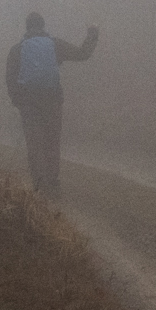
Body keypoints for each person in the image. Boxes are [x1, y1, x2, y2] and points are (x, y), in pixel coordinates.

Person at [6, 12, 97, 195]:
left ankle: (38, 184)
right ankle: (53, 181)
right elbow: (82, 54)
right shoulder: (55, 45)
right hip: (52, 100)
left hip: (29, 103)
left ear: (27, 27)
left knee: (34, 143)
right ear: (43, 26)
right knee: (52, 142)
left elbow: (10, 78)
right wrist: (93, 33)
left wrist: (18, 102)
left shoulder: (17, 49)